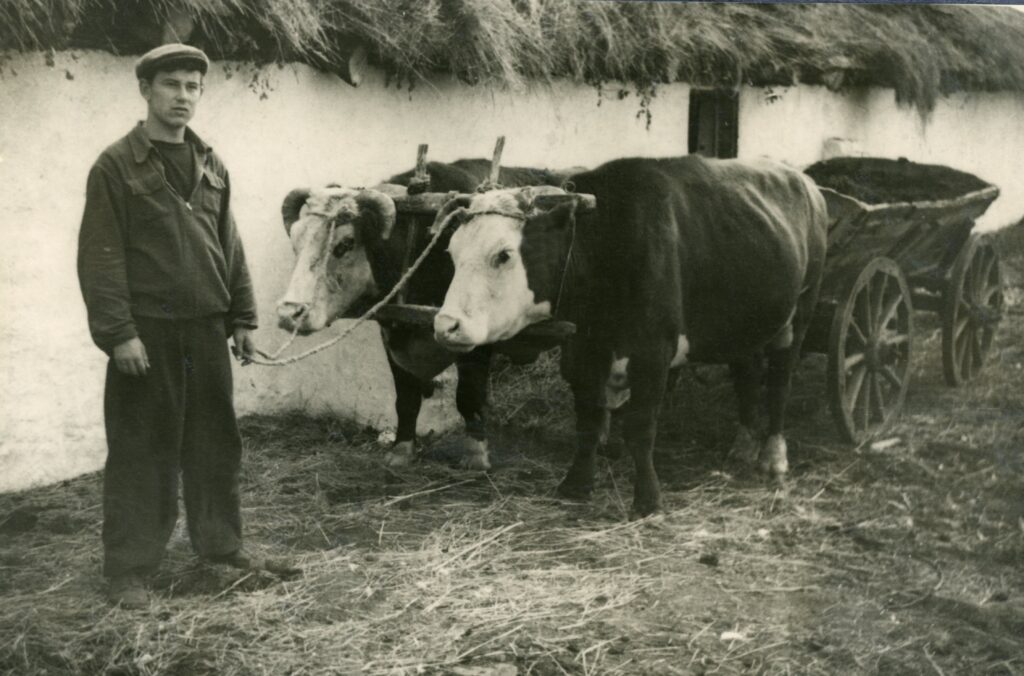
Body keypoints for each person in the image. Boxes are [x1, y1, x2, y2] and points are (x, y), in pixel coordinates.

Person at [77, 43, 296, 609]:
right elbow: (101, 258)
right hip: (146, 335)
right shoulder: (115, 165)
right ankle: (129, 569)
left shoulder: (211, 163)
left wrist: (243, 318)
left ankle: (221, 549)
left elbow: (230, 245)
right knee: (141, 450)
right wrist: (119, 333)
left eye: (193, 86)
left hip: (205, 330)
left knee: (215, 445)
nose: (182, 96)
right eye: (171, 84)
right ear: (146, 90)